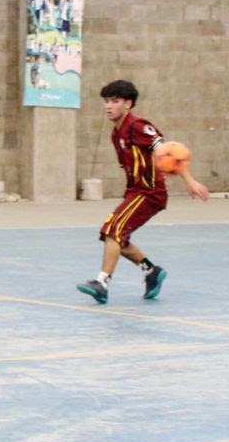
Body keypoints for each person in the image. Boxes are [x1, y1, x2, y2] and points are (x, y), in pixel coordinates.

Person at [76, 79, 209, 305]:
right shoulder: (116, 134)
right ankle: (152, 271)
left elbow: (168, 152)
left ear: (128, 104)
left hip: (149, 193)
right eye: (106, 101)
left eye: (115, 101)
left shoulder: (138, 126)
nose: (108, 106)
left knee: (113, 231)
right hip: (135, 191)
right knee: (116, 236)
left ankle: (102, 283)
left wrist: (190, 181)